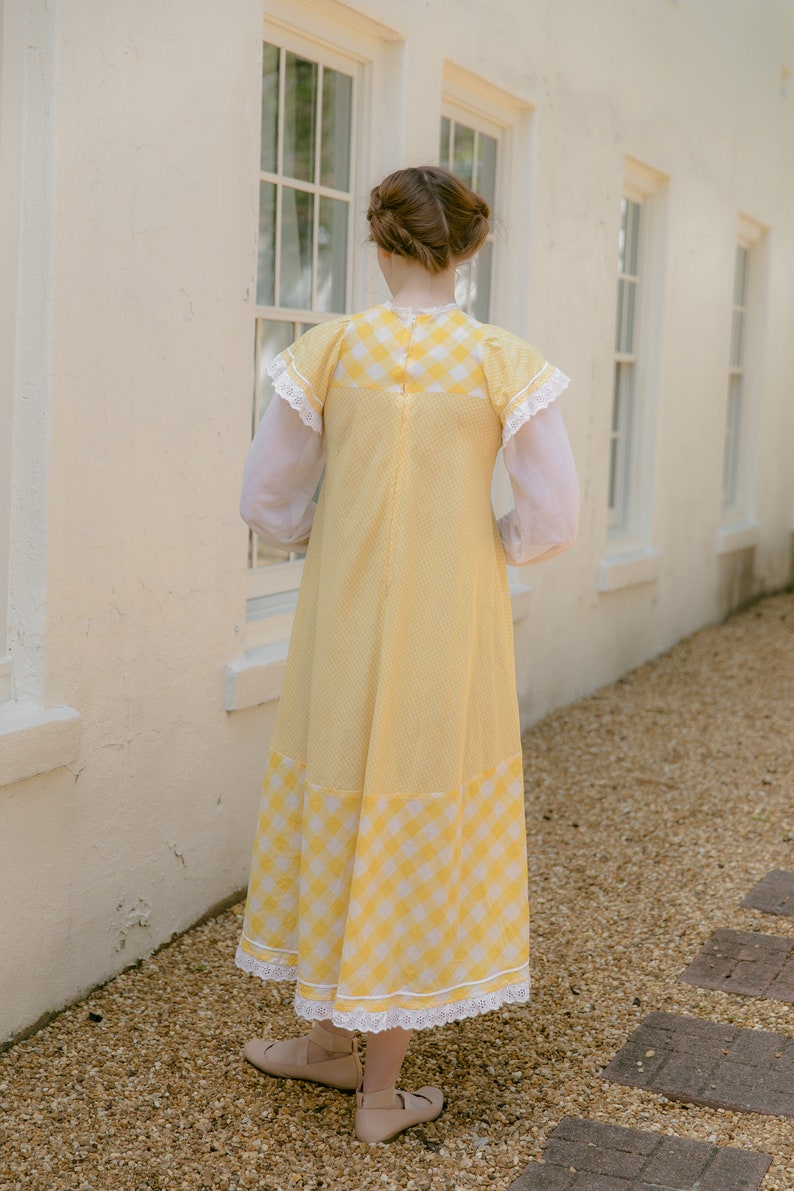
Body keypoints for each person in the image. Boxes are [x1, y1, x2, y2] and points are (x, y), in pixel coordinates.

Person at [235, 165, 579, 1145]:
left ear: (378, 245)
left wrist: (326, 531)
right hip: (448, 622)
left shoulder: (330, 351)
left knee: (343, 789)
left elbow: (265, 501)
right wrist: (488, 546)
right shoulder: (500, 362)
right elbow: (552, 518)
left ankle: (343, 1056)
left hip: (343, 621)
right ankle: (366, 1078)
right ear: (467, 249)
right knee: (416, 797)